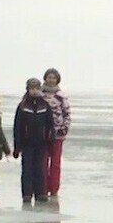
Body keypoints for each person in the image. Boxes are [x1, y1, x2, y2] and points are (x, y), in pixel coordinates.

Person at [14, 77, 54, 204]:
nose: (35, 91)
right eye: (32, 88)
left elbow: (50, 124)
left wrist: (50, 138)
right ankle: (27, 194)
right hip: (27, 143)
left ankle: (40, 192)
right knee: (27, 169)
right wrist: (17, 146)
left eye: (37, 88)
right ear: (28, 89)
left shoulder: (44, 105)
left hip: (41, 143)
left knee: (39, 168)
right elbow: (17, 127)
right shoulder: (23, 106)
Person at [41, 67, 71, 198]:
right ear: (45, 78)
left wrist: (64, 127)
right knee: (43, 161)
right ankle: (43, 186)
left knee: (55, 162)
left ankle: (53, 188)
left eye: (53, 78)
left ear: (57, 80)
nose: (51, 80)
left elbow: (67, 114)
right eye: (49, 77)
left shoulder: (61, 96)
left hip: (58, 134)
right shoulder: (39, 95)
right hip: (42, 134)